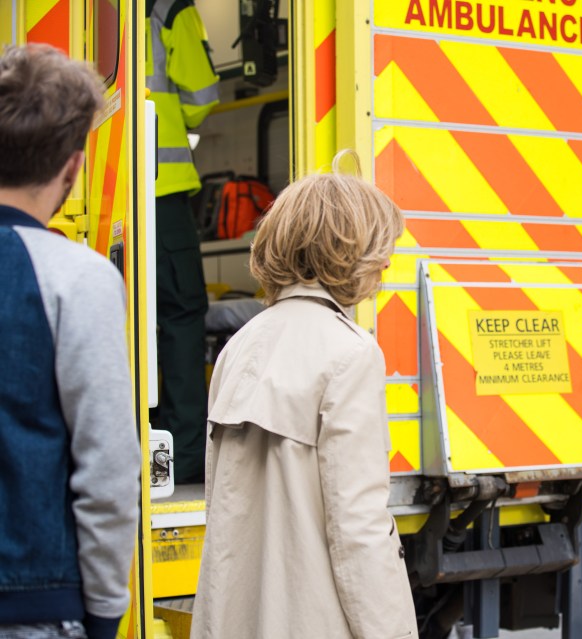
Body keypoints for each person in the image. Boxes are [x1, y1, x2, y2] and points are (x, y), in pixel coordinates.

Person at [191, 158, 418, 639]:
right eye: (380, 250)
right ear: (345, 252)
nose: (386, 265)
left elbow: (221, 504)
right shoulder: (350, 354)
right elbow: (357, 528)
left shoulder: (240, 345)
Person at [0, 44, 141, 639]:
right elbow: (107, 470)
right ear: (73, 167)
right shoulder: (77, 278)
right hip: (32, 601)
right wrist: (106, 611)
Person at [147, 0, 220, 484]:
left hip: (100, 191)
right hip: (162, 190)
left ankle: (141, 453)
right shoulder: (170, 6)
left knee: (128, 326)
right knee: (179, 319)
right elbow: (201, 96)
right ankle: (182, 458)